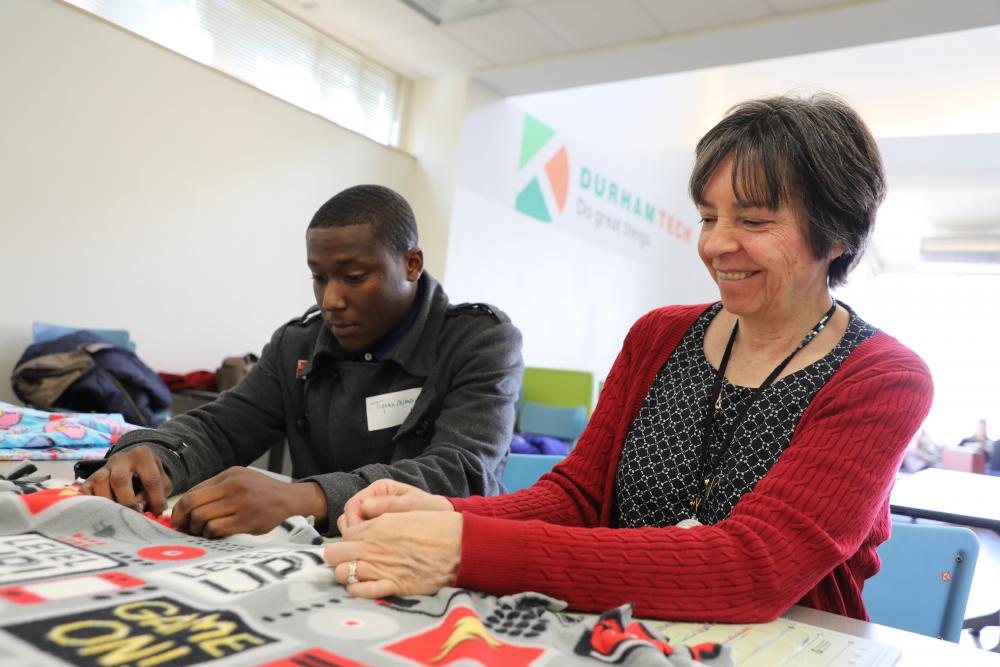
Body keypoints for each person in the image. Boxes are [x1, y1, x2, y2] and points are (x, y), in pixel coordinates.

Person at [323, 95, 933, 624]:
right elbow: (579, 497)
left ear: (836, 235)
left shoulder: (882, 378)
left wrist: (464, 546)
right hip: (626, 625)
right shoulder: (659, 336)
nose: (718, 243)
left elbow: (756, 569)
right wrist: (448, 512)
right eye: (708, 217)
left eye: (753, 219)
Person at [79, 185, 523, 537]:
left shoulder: (480, 341)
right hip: (314, 554)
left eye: (354, 277)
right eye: (319, 277)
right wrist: (153, 455)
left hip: (428, 554)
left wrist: (305, 499)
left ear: (411, 264)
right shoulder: (300, 345)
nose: (331, 300)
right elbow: (221, 427)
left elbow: (463, 474)